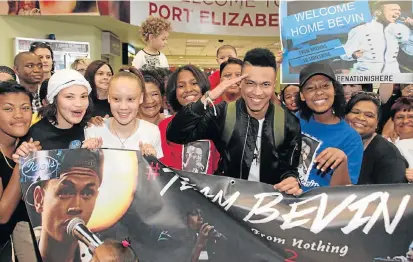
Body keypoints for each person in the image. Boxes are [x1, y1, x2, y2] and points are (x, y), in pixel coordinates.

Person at [166, 48, 302, 195]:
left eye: (265, 84)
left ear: (274, 84)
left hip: (268, 206)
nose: (257, 92)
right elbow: (176, 134)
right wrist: (208, 97)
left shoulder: (288, 122)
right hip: (228, 204)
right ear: (241, 82)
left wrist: (291, 179)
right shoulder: (223, 113)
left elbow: (289, 168)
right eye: (250, 83)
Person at [25, 149, 104, 262]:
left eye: (87, 193)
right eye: (65, 192)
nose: (76, 207)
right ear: (39, 199)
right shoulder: (18, 250)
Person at [297, 62, 363, 190]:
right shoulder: (296, 119)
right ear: (302, 95)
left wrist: (341, 163)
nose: (319, 92)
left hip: (320, 206)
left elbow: (344, 193)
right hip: (286, 202)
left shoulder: (351, 138)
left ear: (335, 90)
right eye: (310, 88)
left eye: (325, 86)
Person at [85, 67, 162, 158]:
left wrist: (151, 160)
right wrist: (85, 154)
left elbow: (156, 171)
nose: (123, 107)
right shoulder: (94, 129)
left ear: (141, 98)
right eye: (116, 99)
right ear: (109, 97)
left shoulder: (152, 132)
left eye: (130, 99)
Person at [159, 65, 220, 175]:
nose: (188, 89)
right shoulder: (165, 126)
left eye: (194, 83)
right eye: (181, 86)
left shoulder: (216, 121)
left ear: (203, 87)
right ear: (174, 93)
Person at [0, 81, 37, 262]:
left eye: (25, 108)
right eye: (8, 109)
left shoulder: (25, 144)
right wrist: (24, 164)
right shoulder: (24, 153)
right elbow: (2, 215)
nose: (18, 115)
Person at [345, 92, 407, 184]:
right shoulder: (333, 144)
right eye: (355, 112)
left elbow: (394, 194)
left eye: (369, 115)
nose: (361, 118)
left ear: (377, 123)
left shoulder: (389, 155)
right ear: (344, 116)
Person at [340, 1, 413, 73]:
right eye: (393, 10)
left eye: (399, 10)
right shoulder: (360, 30)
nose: (398, 12)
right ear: (378, 12)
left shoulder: (402, 29)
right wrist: (353, 55)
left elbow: (410, 50)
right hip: (367, 75)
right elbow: (344, 53)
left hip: (392, 75)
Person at [389, 97, 413, 183]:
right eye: (399, 117)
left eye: (411, 117)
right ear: (393, 121)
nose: (405, 121)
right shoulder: (385, 143)